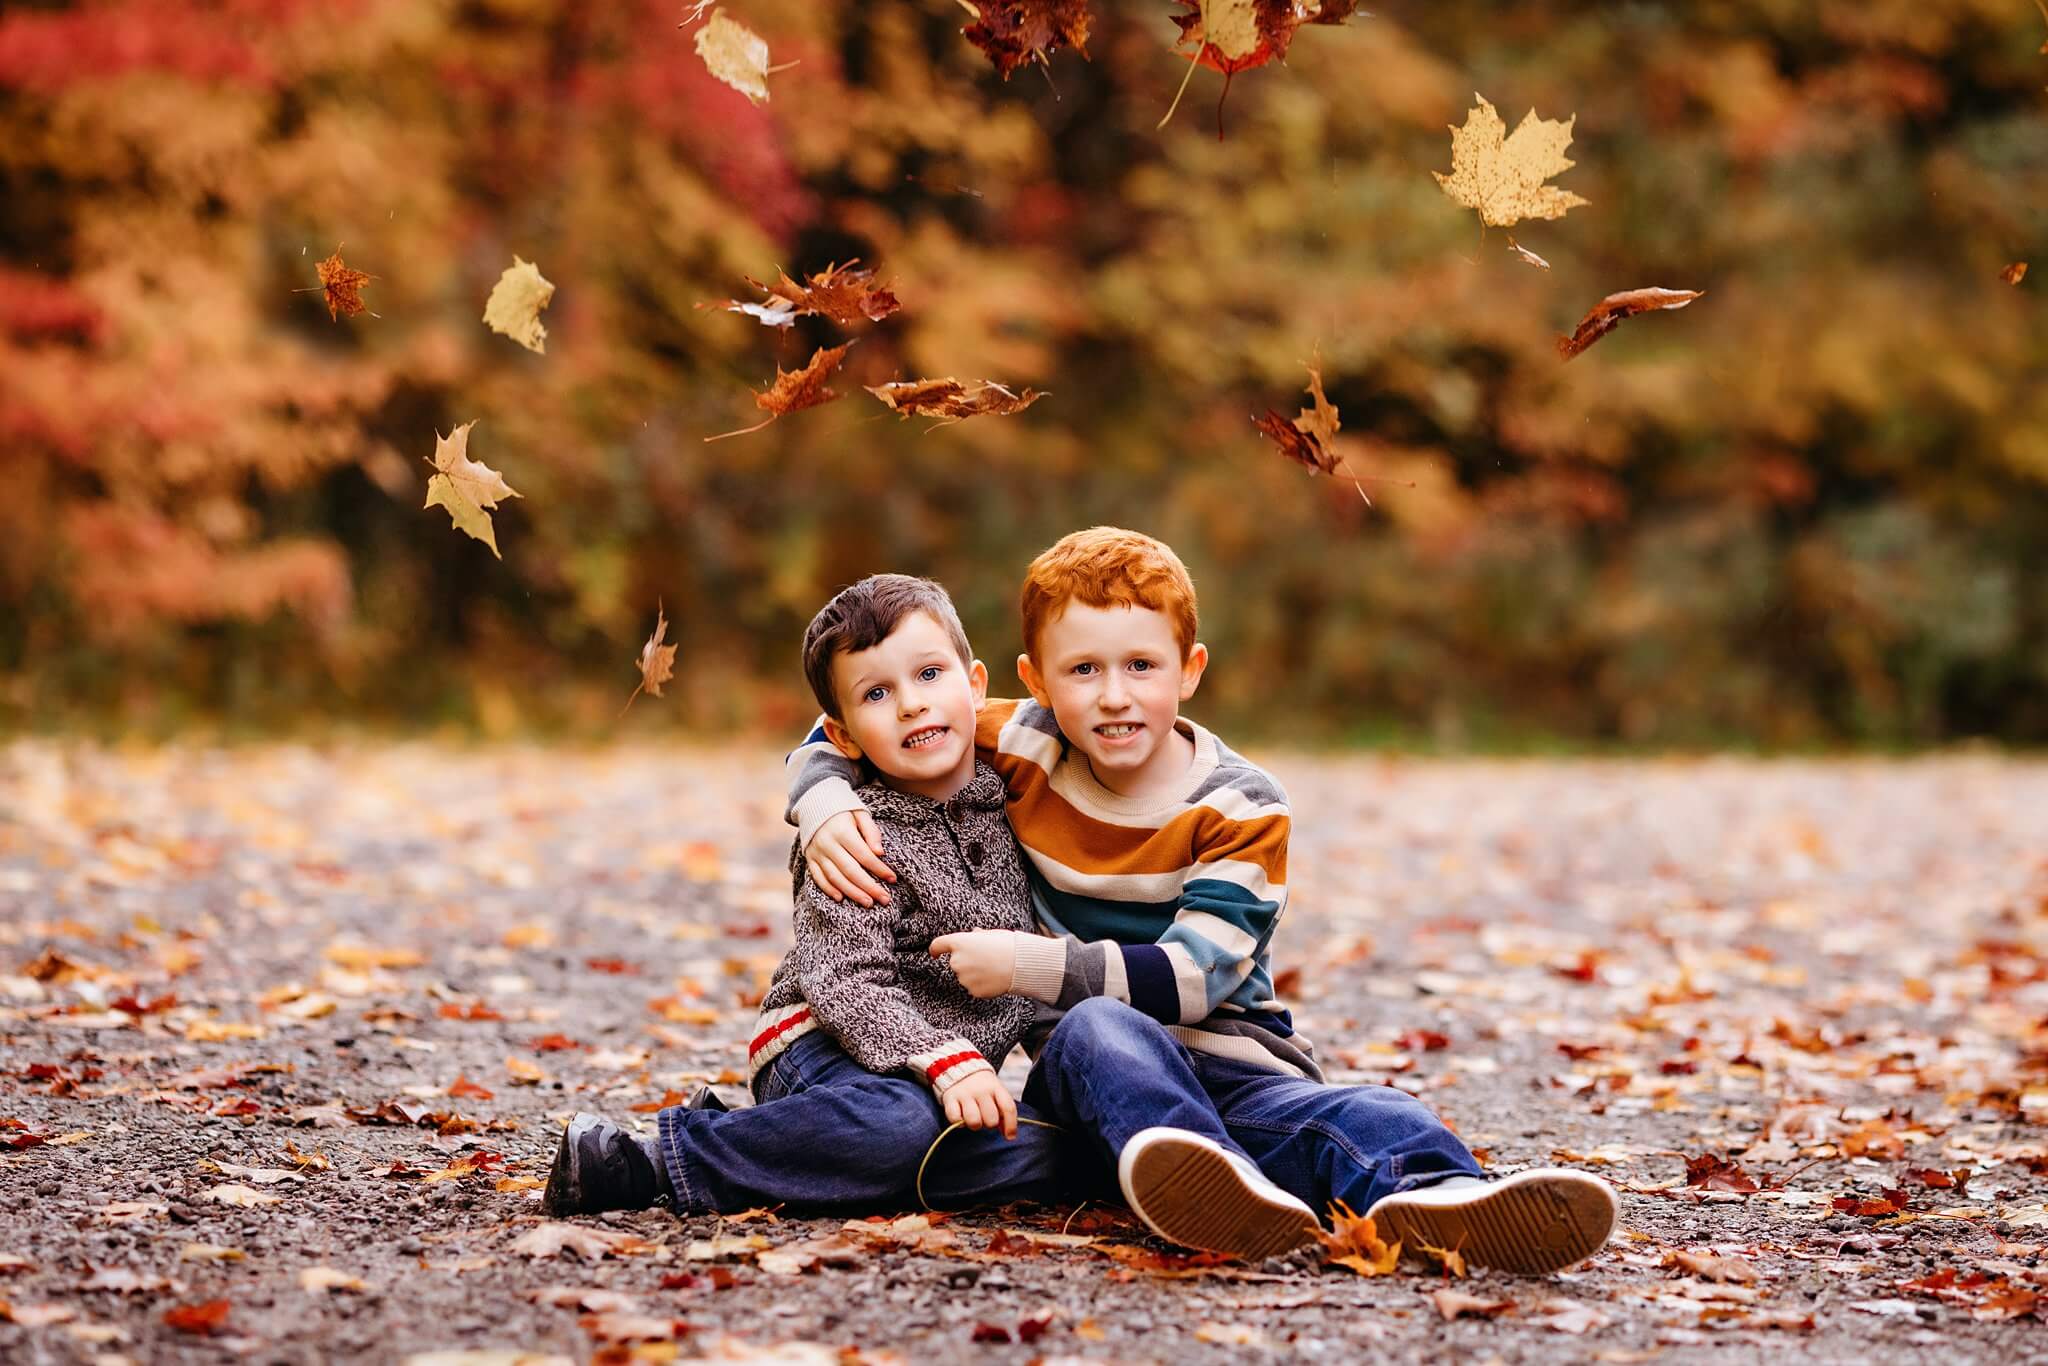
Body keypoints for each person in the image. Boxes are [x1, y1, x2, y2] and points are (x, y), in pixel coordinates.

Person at [792, 527, 1619, 1271]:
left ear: (1189, 670)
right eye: (1083, 671)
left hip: (1236, 1067)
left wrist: (1029, 964)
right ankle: (1210, 1182)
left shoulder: (1243, 808)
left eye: (1141, 666)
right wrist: (822, 799)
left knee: (1356, 1112)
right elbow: (868, 724)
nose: (1113, 696)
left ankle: (1446, 1195)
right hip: (1100, 1074)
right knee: (1094, 1029)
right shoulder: (1026, 740)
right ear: (1034, 680)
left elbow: (1195, 980)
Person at [543, 574, 1092, 1217]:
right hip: (821, 1044)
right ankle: (660, 1159)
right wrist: (944, 1059)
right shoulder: (853, 832)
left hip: (935, 1083)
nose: (912, 705)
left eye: (929, 675)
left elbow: (1036, 968)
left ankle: (800, 1144)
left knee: (1063, 1155)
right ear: (845, 736)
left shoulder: (1020, 803)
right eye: (878, 693)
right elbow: (842, 983)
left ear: (975, 685)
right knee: (904, 1126)